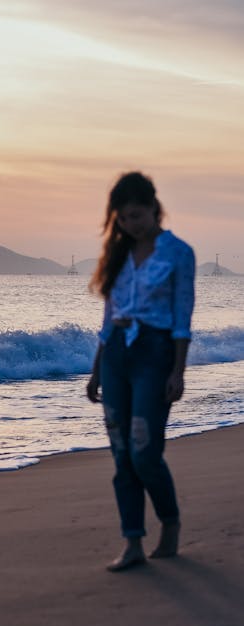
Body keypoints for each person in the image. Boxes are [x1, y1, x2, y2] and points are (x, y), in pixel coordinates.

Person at [86, 171, 195, 572]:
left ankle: (170, 522)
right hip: (115, 355)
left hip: (155, 353)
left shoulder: (178, 253)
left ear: (153, 208)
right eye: (123, 218)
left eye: (136, 215)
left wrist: (178, 371)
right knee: (121, 454)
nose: (131, 224)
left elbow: (183, 317)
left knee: (144, 452)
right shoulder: (117, 255)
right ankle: (132, 541)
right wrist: (96, 370)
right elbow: (108, 316)